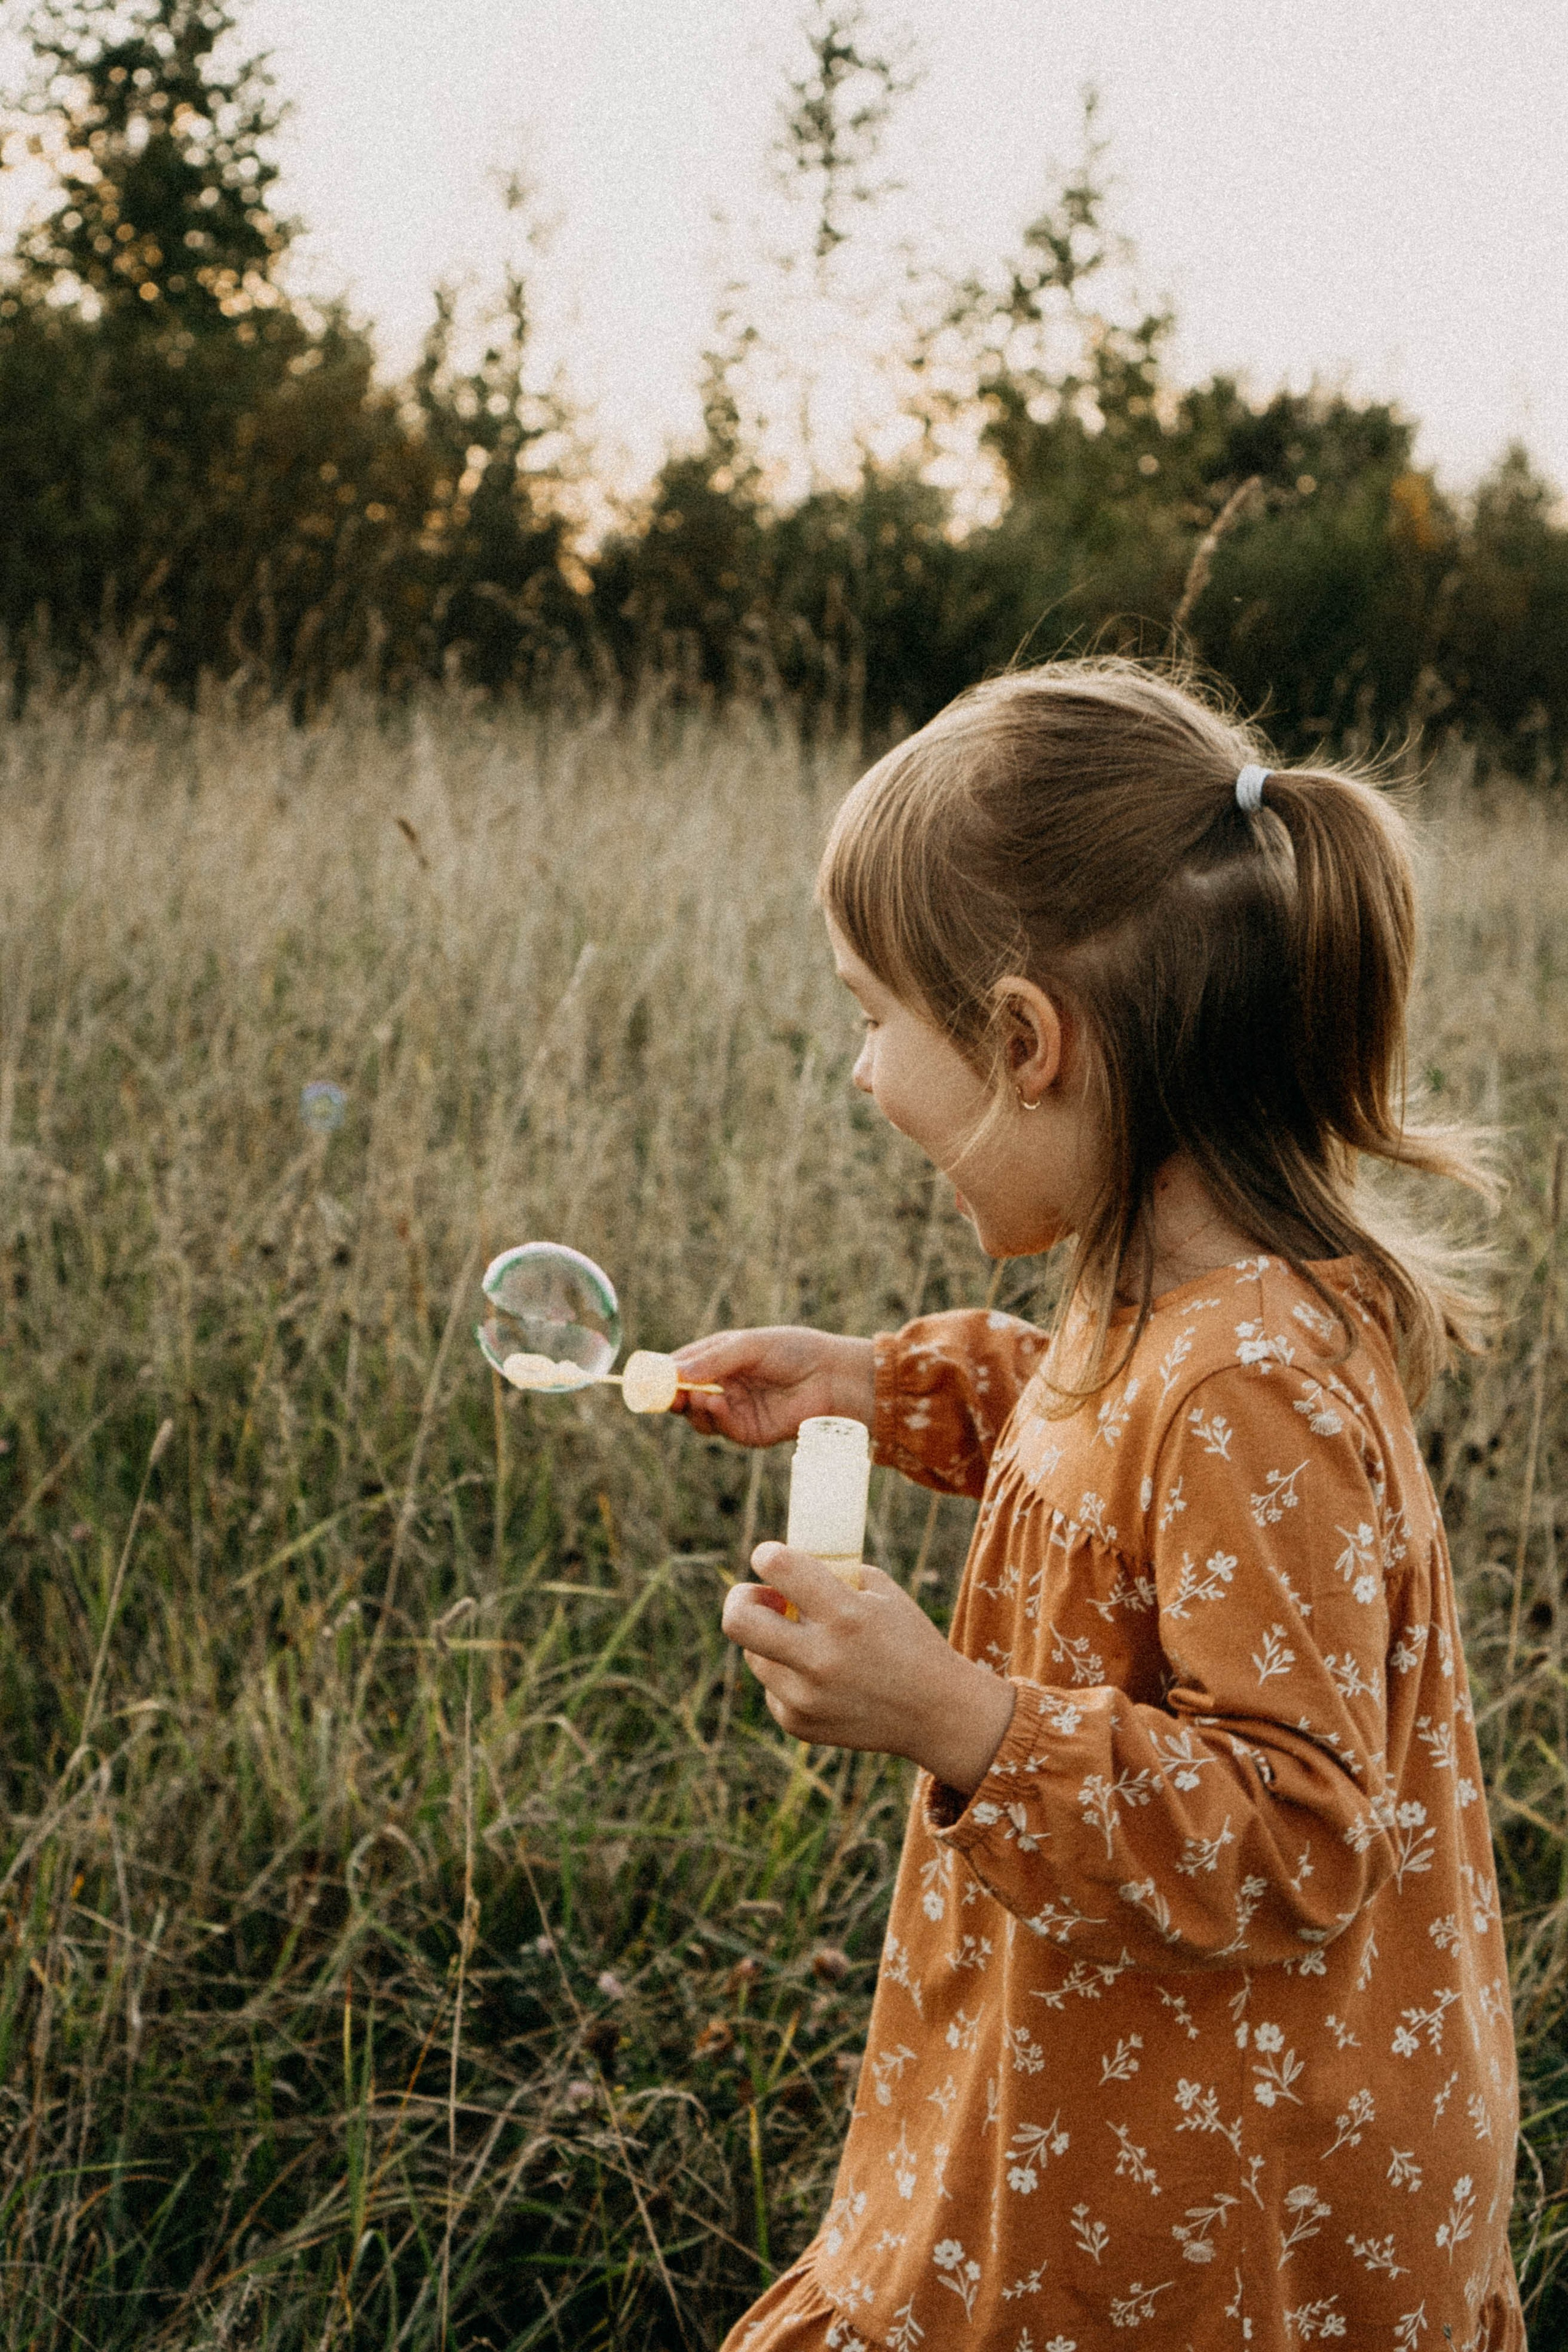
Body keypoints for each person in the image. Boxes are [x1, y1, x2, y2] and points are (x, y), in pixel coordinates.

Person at [671, 661, 1523, 2352]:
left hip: (1211, 2193)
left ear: (1022, 1042)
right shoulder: (1168, 1302)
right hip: (1123, 2100)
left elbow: (1297, 1830)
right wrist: (875, 1382)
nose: (861, 1074)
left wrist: (959, 1715)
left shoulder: (1246, 1377)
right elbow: (1096, 1458)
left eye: (869, 1015)